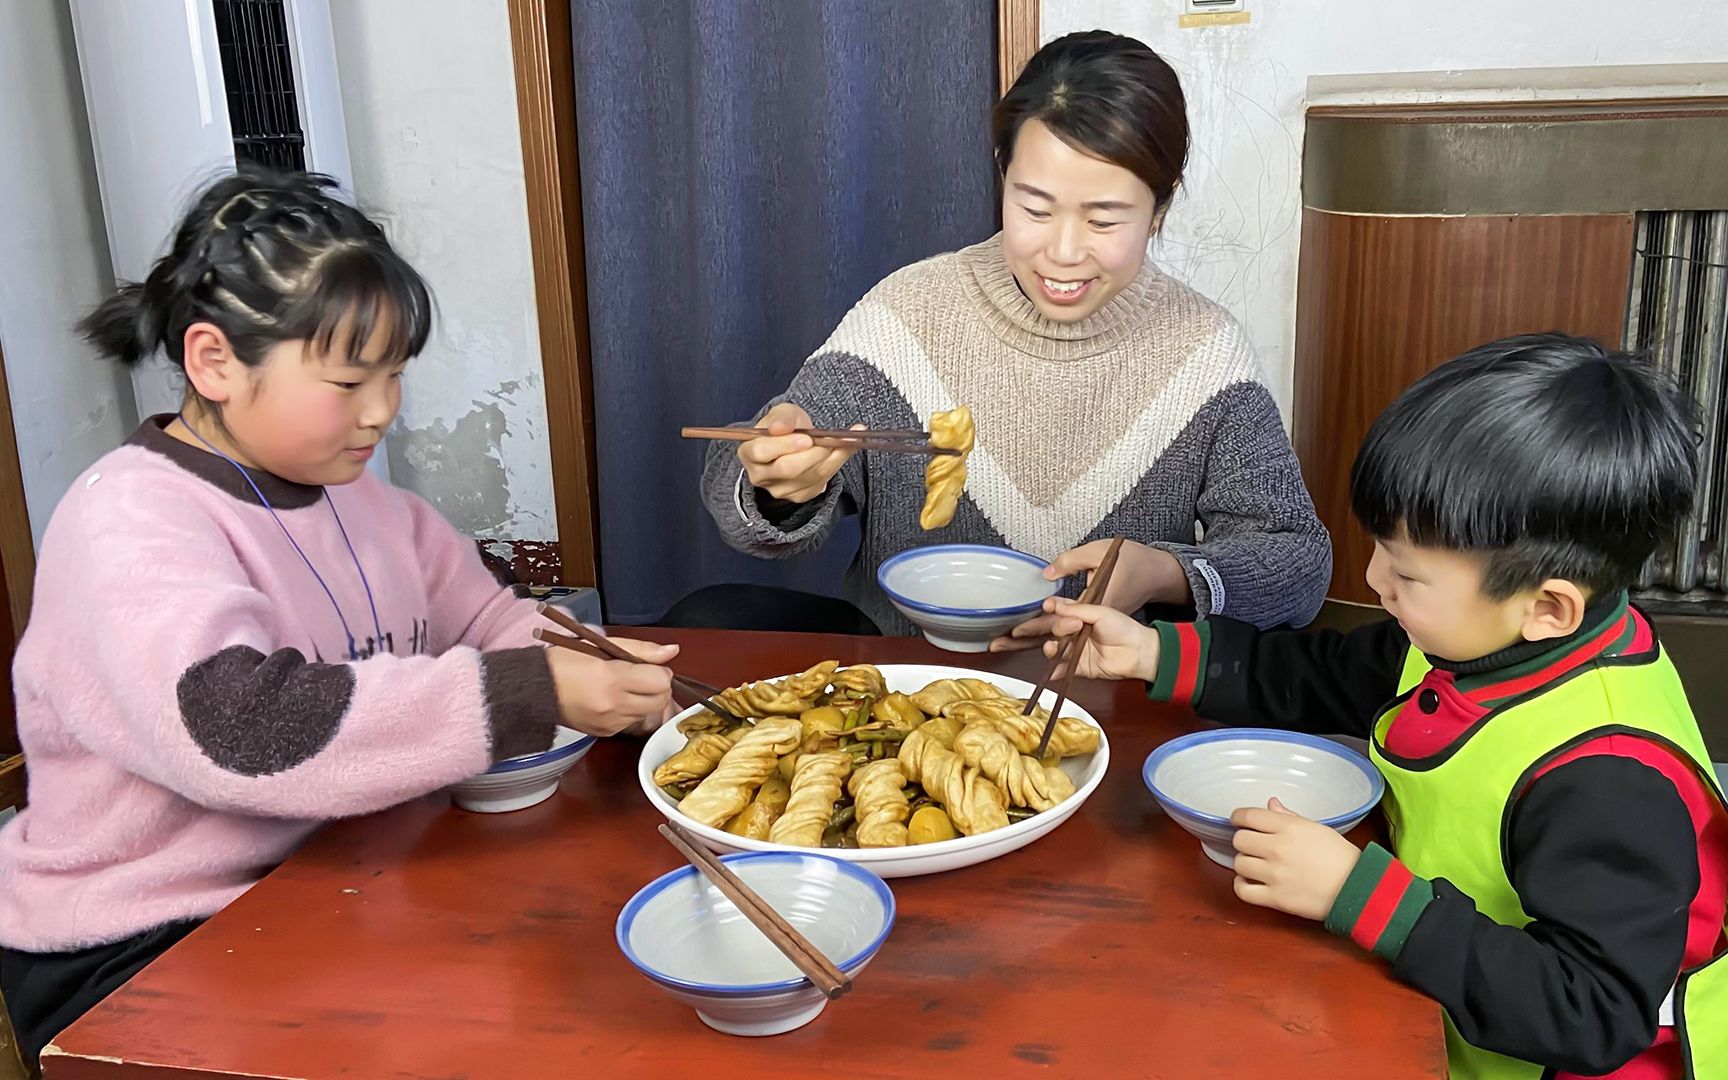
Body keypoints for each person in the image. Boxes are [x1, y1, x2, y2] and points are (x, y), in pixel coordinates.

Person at [0, 168, 677, 1066]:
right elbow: (242, 729)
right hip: (141, 941)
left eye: (394, 376)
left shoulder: (369, 506)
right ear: (214, 362)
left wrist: (593, 670)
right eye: (350, 380)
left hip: (328, 877)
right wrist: (534, 689)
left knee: (582, 973)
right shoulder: (127, 521)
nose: (382, 413)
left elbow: (489, 622)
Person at [1043, 333, 1726, 1078]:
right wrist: (1154, 654)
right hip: (1431, 996)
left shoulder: (1609, 776)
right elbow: (1331, 673)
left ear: (1550, 608)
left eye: (1407, 574)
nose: (1373, 579)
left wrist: (1359, 893)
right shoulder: (1481, 637)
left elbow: (1592, 1011)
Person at [690, 30, 1329, 640]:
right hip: (909, 694)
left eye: (1104, 219)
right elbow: (742, 506)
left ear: (1160, 209)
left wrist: (1167, 574)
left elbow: (1297, 566)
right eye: (1035, 208)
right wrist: (776, 480)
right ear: (1003, 172)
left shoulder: (1205, 352)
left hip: (1099, 702)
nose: (1063, 252)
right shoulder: (906, 316)